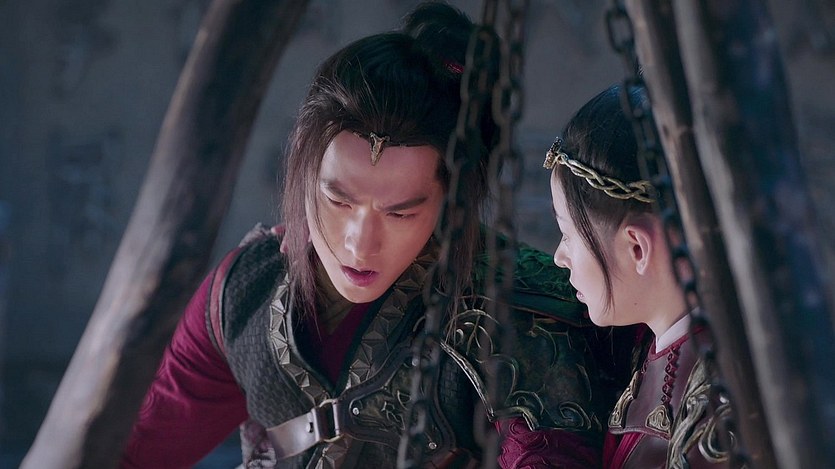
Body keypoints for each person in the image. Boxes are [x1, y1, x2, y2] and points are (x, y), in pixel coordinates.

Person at [121, 3, 621, 468]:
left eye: (400, 213)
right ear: (304, 172)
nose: (359, 244)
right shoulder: (247, 289)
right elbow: (132, 448)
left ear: (451, 203)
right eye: (338, 201)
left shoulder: (524, 316)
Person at [544, 84, 734, 468]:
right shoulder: (675, 345)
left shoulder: (716, 413)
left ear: (637, 248)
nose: (559, 257)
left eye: (568, 234)